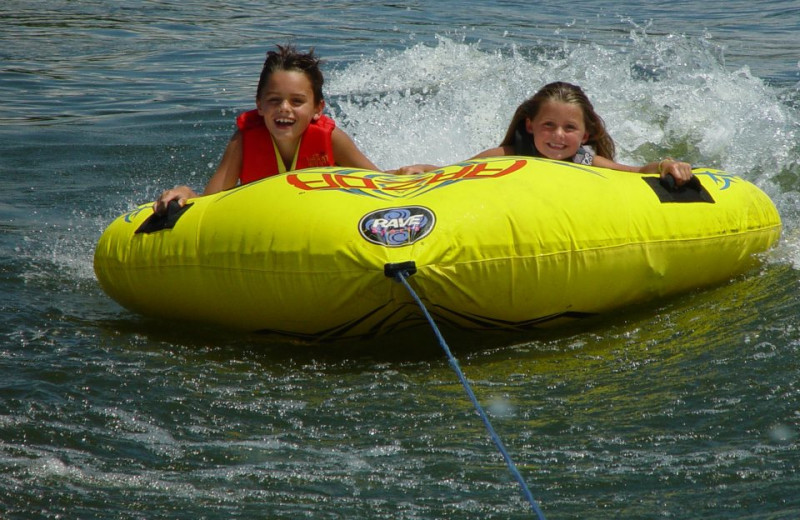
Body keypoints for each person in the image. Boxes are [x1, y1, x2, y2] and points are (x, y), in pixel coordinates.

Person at [153, 45, 380, 214]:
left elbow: (379, 183)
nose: (284, 109)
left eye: (297, 101)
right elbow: (210, 200)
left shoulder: (331, 140)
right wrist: (187, 193)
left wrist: (404, 175)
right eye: (274, 100)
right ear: (259, 104)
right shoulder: (244, 141)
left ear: (317, 109)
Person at [399, 81, 694, 184]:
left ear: (585, 135)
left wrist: (667, 164)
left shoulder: (583, 160)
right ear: (530, 126)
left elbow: (636, 171)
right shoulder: (506, 156)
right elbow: (453, 172)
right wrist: (420, 171)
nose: (558, 136)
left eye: (570, 128)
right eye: (548, 125)